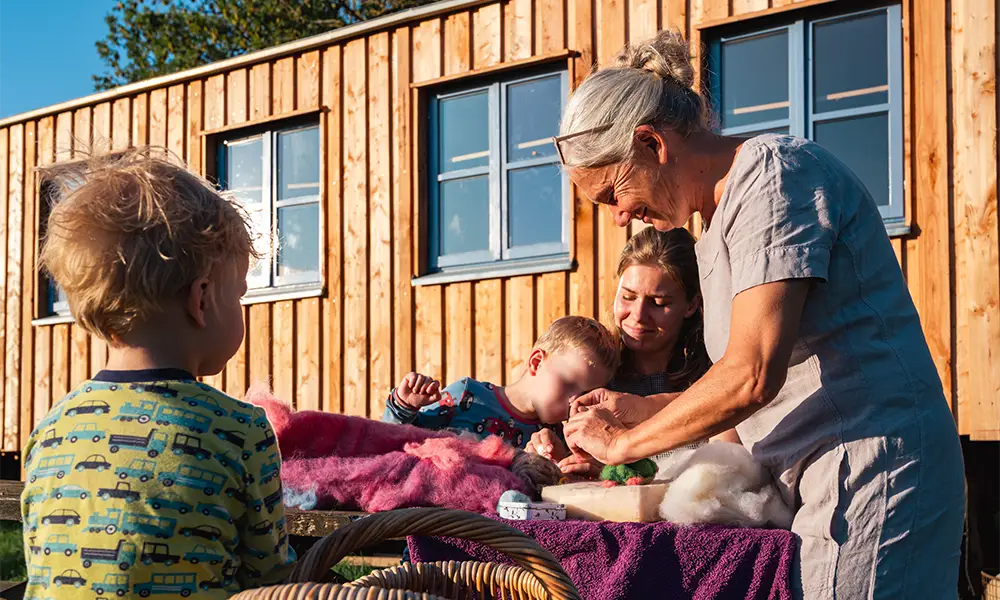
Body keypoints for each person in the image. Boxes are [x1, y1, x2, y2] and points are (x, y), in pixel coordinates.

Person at [554, 30, 965, 599]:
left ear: (651, 144)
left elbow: (751, 375)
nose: (620, 217)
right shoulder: (715, 228)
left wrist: (625, 445)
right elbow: (751, 386)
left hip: (872, 471)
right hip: (824, 481)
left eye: (611, 193)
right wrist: (642, 407)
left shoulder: (774, 178)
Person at [22, 148, 295, 598]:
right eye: (240, 295)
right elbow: (270, 580)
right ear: (202, 299)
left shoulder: (51, 430)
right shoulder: (239, 431)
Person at [528, 227, 739, 475]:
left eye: (659, 303)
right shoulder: (594, 372)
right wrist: (560, 457)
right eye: (628, 297)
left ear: (691, 304)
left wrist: (617, 466)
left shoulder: (720, 372)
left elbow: (727, 466)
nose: (638, 316)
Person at [382, 315, 619, 448]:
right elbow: (395, 444)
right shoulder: (467, 396)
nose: (574, 403)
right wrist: (405, 406)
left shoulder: (558, 439)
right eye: (568, 384)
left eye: (586, 395)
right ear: (536, 362)